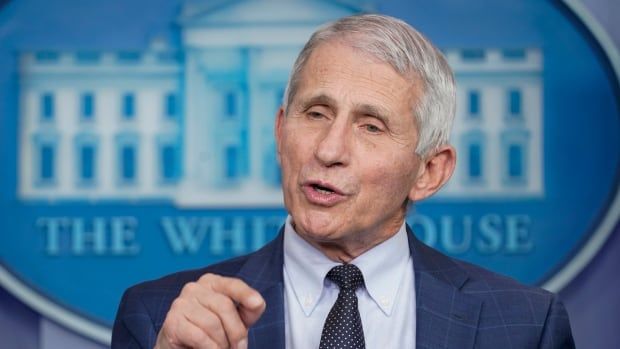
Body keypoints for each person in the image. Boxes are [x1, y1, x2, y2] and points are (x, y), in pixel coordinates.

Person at [112, 14, 575, 349]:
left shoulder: (525, 326)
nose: (328, 150)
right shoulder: (159, 317)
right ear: (280, 132)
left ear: (430, 171)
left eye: (370, 126)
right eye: (315, 114)